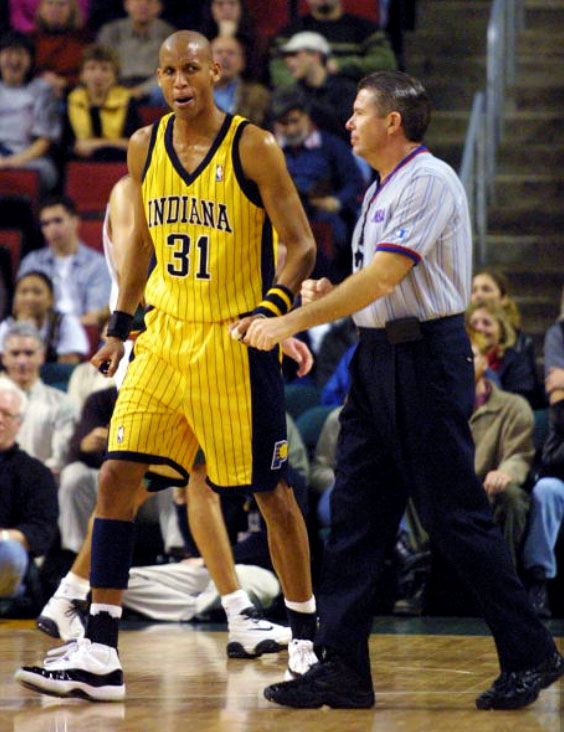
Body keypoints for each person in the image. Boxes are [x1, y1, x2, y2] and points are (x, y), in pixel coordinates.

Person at [238, 70, 564, 711]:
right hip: (378, 358)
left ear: (392, 122)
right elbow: (374, 292)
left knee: (453, 515)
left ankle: (532, 653)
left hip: (426, 361)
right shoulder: (380, 187)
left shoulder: (431, 180)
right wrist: (329, 298)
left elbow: (386, 279)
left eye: (359, 113)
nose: (348, 123)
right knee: (356, 514)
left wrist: (292, 321)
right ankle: (343, 668)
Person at [16, 32, 318, 698]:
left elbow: (300, 246)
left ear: (216, 71)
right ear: (157, 78)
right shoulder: (143, 145)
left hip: (231, 344)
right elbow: (142, 250)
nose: (181, 80)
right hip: (162, 337)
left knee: (272, 494)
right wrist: (121, 327)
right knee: (118, 475)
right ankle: (98, 647)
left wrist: (272, 307)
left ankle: (304, 635)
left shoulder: (252, 146)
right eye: (169, 71)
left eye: (192, 68)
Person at [270, 87, 363, 283]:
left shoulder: (331, 146)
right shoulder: (267, 148)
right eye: (283, 124)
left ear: (306, 117)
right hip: (279, 217)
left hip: (322, 215)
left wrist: (337, 201)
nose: (291, 129)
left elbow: (355, 182)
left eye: (295, 121)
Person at [469, 337, 534, 567]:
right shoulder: (437, 406)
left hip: (490, 489)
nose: (463, 362)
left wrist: (505, 473)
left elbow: (520, 454)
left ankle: (503, 576)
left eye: (471, 356)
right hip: (448, 492)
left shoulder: (513, 406)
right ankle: (418, 574)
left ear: (485, 362)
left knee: (511, 496)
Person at [522, 299, 564, 618]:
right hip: (560, 463)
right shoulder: (558, 333)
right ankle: (539, 583)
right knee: (546, 490)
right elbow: (558, 410)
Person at [0, 377, 58, 600]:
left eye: (7, 414)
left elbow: (41, 533)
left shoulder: (36, 473)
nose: (0, 420)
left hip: (4, 556)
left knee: (11, 553)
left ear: (19, 423)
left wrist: (4, 536)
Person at [18, 195, 112, 328]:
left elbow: (96, 316)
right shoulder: (32, 262)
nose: (52, 228)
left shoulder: (98, 265)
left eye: (58, 221)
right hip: (37, 337)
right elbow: (21, 311)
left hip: (84, 337)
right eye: (46, 224)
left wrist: (60, 332)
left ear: (75, 221)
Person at [1, 322, 76, 477]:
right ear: (4, 358)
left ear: (41, 356)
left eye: (29, 353)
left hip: (41, 484)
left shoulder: (63, 403)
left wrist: (29, 477)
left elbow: (60, 459)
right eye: (15, 354)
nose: (22, 361)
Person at [268, 0, 396, 88]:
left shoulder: (366, 30)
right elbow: (279, 74)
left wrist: (338, 65)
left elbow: (386, 63)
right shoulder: (289, 34)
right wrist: (312, 83)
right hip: (303, 107)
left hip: (357, 102)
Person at [0, 30, 61, 193]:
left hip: (29, 159)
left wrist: (10, 163)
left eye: (20, 54)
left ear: (31, 60)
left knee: (44, 171)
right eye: (8, 54)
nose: (14, 60)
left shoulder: (42, 90)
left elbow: (44, 141)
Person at [62, 44, 141, 163]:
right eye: (91, 68)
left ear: (115, 76)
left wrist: (93, 144)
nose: (98, 75)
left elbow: (133, 143)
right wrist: (115, 143)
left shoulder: (127, 100)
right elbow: (69, 145)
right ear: (82, 75)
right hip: (80, 162)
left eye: (105, 69)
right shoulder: (72, 100)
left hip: (119, 161)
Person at [280, 31, 357, 141]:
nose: (287, 60)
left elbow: (349, 132)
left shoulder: (346, 91)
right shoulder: (292, 93)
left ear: (315, 55)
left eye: (294, 54)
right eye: (286, 56)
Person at [466, 300, 544, 409]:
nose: (479, 328)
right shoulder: (461, 358)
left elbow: (522, 399)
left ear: (501, 329)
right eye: (474, 323)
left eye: (486, 323)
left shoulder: (516, 358)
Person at [96, 0, 175, 105]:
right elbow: (101, 64)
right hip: (115, 86)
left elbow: (169, 71)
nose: (142, 5)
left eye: (149, 1)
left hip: (152, 90)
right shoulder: (110, 32)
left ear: (159, 7)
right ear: (126, 4)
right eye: (137, 1)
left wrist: (142, 90)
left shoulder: (169, 35)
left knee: (165, 90)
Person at [0, 271, 89, 363]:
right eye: (23, 292)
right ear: (15, 299)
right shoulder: (7, 325)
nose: (30, 298)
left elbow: (70, 362)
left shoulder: (65, 322)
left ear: (51, 299)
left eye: (37, 292)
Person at [32, 0, 92, 99]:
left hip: (74, 93)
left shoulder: (85, 40)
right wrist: (42, 80)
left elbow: (90, 72)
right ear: (41, 9)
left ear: (72, 10)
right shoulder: (31, 39)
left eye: (61, 4)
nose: (55, 8)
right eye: (50, 3)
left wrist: (64, 82)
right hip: (35, 93)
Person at [211, 35, 270, 128]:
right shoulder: (195, 96)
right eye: (219, 52)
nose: (224, 58)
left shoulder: (258, 96)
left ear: (242, 62)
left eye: (231, 53)